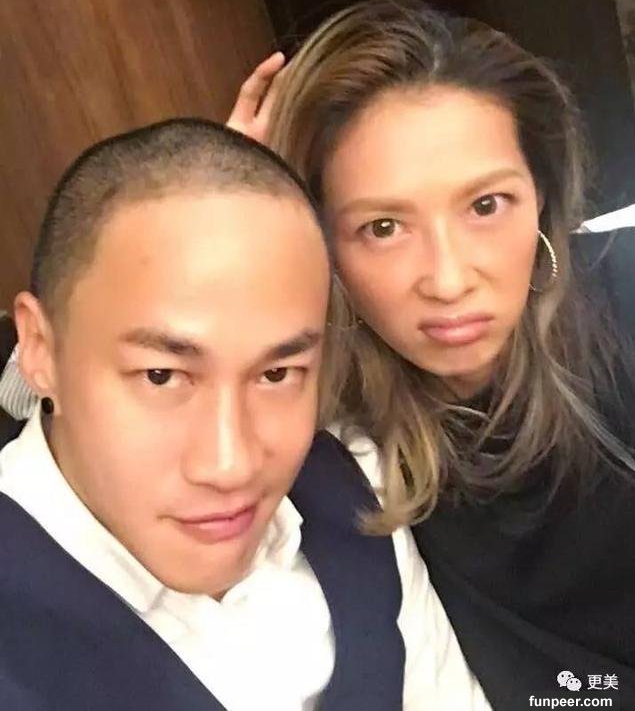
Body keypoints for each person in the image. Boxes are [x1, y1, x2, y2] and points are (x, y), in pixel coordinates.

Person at [226, 0, 635, 708]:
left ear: (542, 197)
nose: (448, 281)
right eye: (384, 227)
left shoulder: (626, 293)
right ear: (320, 240)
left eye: (486, 206)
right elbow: (43, 395)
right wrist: (221, 217)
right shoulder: (324, 428)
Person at [0, 118, 489, 709]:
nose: (230, 465)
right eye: (161, 376)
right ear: (39, 349)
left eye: (277, 375)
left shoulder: (355, 485)